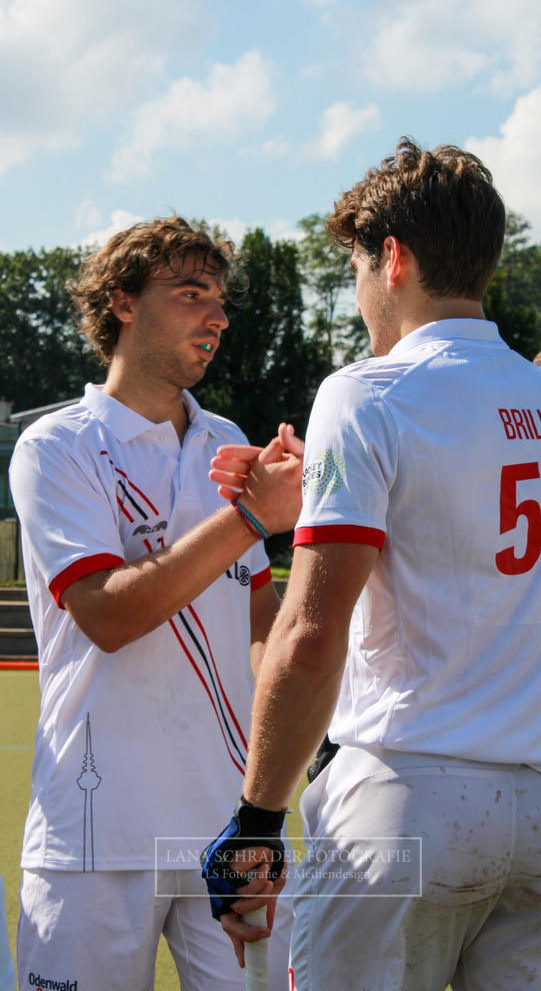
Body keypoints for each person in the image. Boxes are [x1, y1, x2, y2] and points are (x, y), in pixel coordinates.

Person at [203, 140, 541, 991]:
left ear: (394, 259)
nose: (360, 291)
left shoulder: (365, 391)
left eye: (359, 269)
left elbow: (311, 635)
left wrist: (257, 817)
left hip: (412, 794)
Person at [9, 216, 303, 991]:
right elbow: (107, 616)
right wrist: (250, 517)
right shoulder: (58, 446)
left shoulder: (227, 441)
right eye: (191, 293)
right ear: (123, 302)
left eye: (221, 300)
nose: (218, 316)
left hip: (229, 828)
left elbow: (261, 626)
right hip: (93, 834)